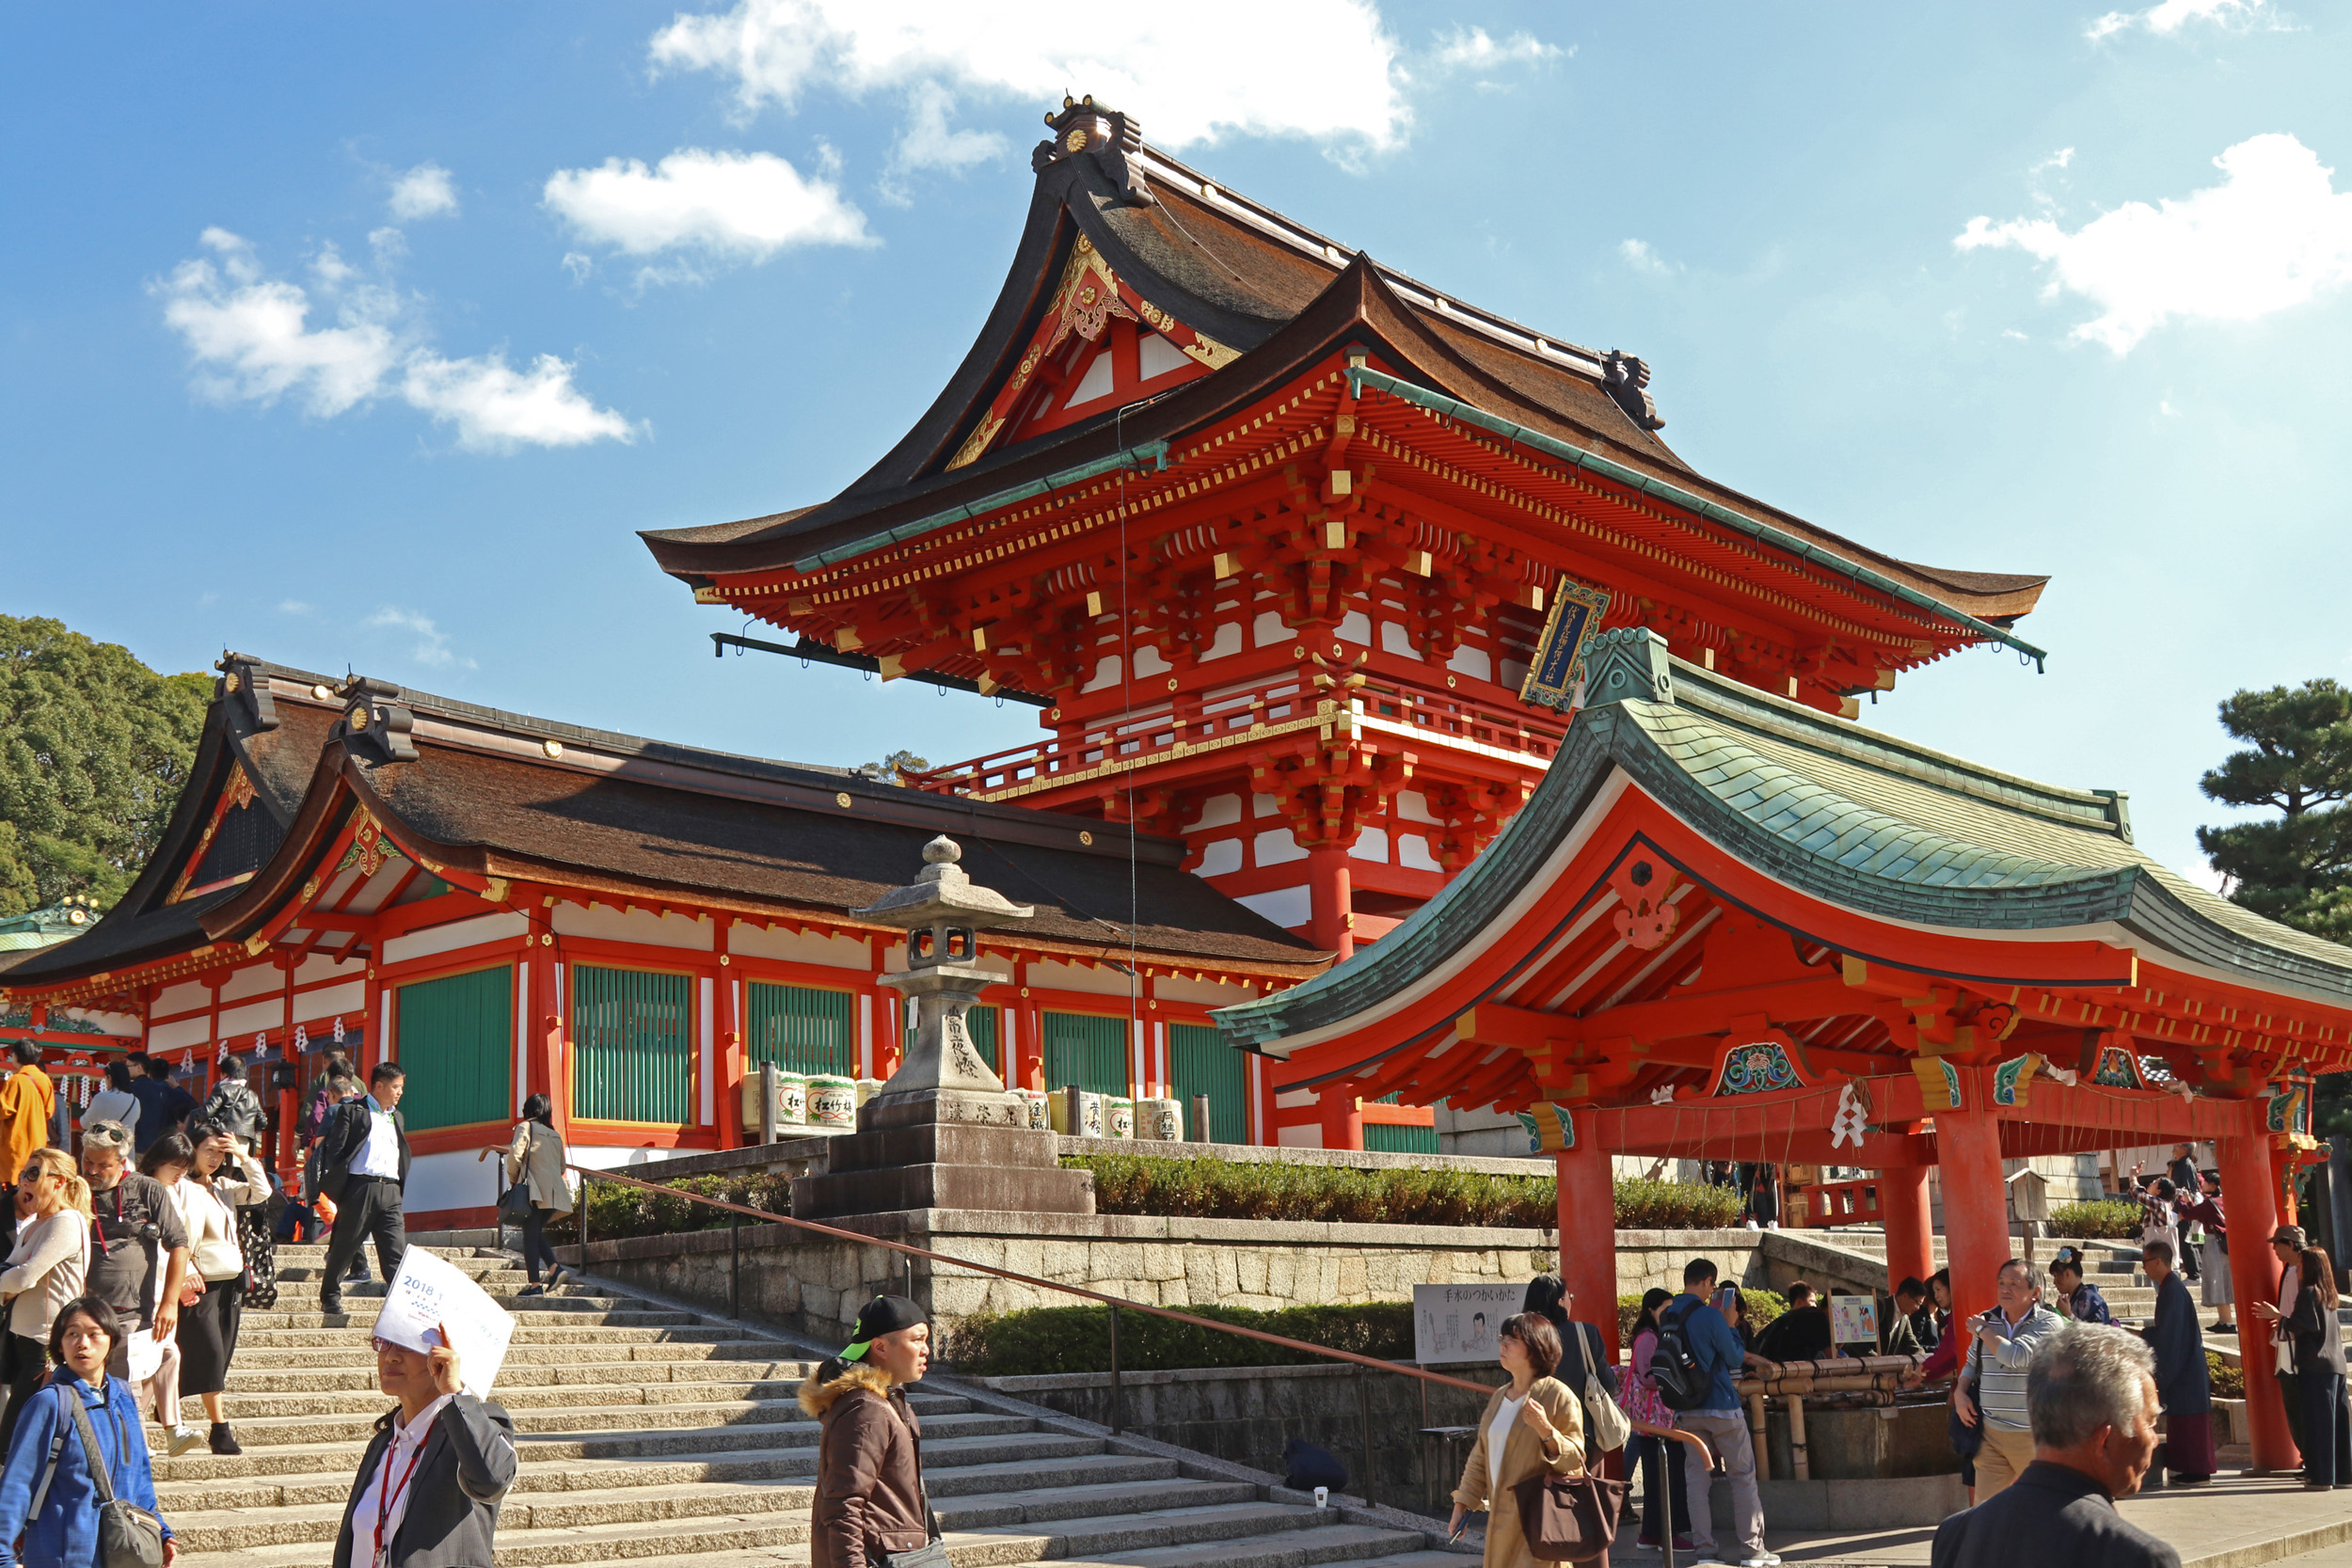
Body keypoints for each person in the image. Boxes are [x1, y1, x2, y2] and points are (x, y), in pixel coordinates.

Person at [1928, 1325, 2178, 1568]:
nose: (2154, 1440)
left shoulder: (1955, 1535)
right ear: (2105, 1440)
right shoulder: (2137, 1556)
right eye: (2150, 1422)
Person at [0, 1296, 176, 1568]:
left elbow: (140, 1476)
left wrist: (159, 1531)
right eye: (72, 1334)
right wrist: (4, 1558)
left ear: (111, 1340)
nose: (82, 1343)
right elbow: (17, 1485)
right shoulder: (49, 1403)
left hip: (121, 1550)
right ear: (59, 1344)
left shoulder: (123, 1396)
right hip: (63, 1553)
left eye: (94, 1334)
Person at [331, 1322, 516, 1568]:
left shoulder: (473, 1430)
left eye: (407, 1344)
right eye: (384, 1342)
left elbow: (492, 1477)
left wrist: (453, 1391)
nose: (391, 1356)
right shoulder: (383, 1443)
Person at [146, 1120, 265, 1455]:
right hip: (197, 1279)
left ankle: (160, 1410)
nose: (213, 1158)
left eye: (219, 1151)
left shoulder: (225, 1186)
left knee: (220, 1354)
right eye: (207, 1150)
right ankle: (219, 1428)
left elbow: (263, 1192)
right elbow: (176, 1235)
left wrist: (242, 1155)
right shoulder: (180, 1188)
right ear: (192, 1150)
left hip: (230, 1279)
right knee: (210, 1353)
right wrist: (186, 1270)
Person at [800, 1294, 940, 1568]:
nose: (926, 1350)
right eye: (917, 1339)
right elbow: (843, 1505)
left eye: (926, 1340)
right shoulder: (867, 1410)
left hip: (898, 1555)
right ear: (880, 1347)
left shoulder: (887, 1402)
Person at [1449, 1311, 1586, 1568]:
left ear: (1536, 1347)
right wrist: (1463, 1503)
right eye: (1503, 1337)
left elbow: (1576, 1461)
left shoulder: (1558, 1396)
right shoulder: (1499, 1397)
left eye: (1513, 1339)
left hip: (1539, 1523)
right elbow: (1480, 1456)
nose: (1503, 1345)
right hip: (1500, 1524)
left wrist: (1546, 1430)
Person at [1668, 1259, 1773, 1568]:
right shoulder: (1710, 1315)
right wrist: (1728, 1325)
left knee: (1697, 1480)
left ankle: (1704, 1552)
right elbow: (1730, 1358)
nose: (1713, 1291)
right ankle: (1752, 1550)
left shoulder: (1669, 1315)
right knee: (1742, 1476)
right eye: (1713, 1286)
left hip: (1687, 1409)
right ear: (1708, 1282)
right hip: (1721, 1405)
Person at [77, 1121, 189, 1386]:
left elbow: (180, 1246)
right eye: (87, 1161)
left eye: (102, 1165)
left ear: (121, 1161)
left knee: (126, 1396)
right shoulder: (76, 1189)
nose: (92, 1170)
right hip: (83, 1312)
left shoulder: (148, 1189)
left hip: (132, 1313)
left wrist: (169, 1303)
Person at [0, 1148, 90, 1451]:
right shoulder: (37, 1223)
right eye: (24, 1174)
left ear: (59, 1182)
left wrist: (10, 1284)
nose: (24, 1181)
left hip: (47, 1348)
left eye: (34, 1174)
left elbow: (25, 1277)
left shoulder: (66, 1220)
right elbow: (12, 1272)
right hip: (22, 1341)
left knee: (17, 1439)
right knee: (15, 1437)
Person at [1955, 1258, 2066, 1501]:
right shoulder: (1988, 1319)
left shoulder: (2049, 1323)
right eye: (2001, 1283)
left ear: (2035, 1292)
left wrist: (1982, 1330)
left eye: (2014, 1284)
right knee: (1985, 1513)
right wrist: (1959, 1393)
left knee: (2047, 1508)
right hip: (1991, 1433)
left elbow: (2016, 1355)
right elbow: (1972, 1363)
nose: (2005, 1289)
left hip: (2032, 1435)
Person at [2251, 1225, 2350, 1489]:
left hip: (2315, 1363)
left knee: (2317, 1423)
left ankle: (2320, 1477)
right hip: (2334, 1362)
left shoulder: (2308, 1291)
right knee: (2336, 1423)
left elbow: (2305, 1323)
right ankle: (2342, 1475)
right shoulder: (2327, 1293)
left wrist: (2280, 1318)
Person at [316, 1062, 409, 1316]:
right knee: (345, 1246)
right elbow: (335, 1152)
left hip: (391, 1191)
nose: (400, 1092)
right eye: (396, 1087)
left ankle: (400, 1306)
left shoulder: (397, 1116)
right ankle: (331, 1297)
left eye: (401, 1087)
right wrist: (341, 1188)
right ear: (379, 1086)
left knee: (395, 1251)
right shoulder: (353, 1111)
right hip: (360, 1187)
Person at [1626, 1289, 1693, 1554]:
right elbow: (1647, 1376)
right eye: (1665, 1309)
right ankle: (1668, 1534)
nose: (1670, 1314)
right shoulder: (1648, 1338)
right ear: (1651, 1310)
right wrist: (1678, 1378)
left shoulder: (1655, 1335)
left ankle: (1652, 1534)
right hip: (1657, 1422)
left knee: (1660, 1479)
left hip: (1657, 1421)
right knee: (1667, 1477)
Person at [2137, 1240, 2211, 1483]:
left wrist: (2146, 1336)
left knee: (2189, 1424)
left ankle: (2196, 1472)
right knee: (2184, 1423)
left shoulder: (2173, 1290)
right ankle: (2189, 1470)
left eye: (2145, 1262)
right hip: (2184, 1365)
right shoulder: (2170, 1288)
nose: (2144, 1268)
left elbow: (2170, 1336)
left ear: (2159, 1261)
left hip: (2184, 1368)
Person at [504, 1095, 570, 1296]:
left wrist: (514, 1181)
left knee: (530, 1238)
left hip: (534, 1191)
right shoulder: (555, 1134)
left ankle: (536, 1284)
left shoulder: (526, 1127)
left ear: (529, 1110)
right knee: (534, 1234)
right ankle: (553, 1270)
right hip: (554, 1193)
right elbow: (561, 1166)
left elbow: (514, 1157)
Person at [1518, 1274, 1618, 1404]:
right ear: (1560, 1302)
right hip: (1579, 1420)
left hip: (1533, 1417)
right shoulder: (1587, 1333)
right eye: (1570, 1297)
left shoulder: (1520, 1337)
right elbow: (1609, 1384)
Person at [2176, 1172, 2233, 1335]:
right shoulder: (2225, 1201)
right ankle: (2225, 1320)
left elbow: (2189, 1215)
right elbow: (2201, 1214)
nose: (2203, 1185)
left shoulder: (2210, 1203)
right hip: (2227, 1245)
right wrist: (2190, 1202)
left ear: (2213, 1185)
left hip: (2213, 1243)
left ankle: (2227, 1322)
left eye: (2206, 1182)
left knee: (2216, 1280)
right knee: (2224, 1281)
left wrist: (2181, 1201)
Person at [0, 1044, 54, 1192]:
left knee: (12, 1191)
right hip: (37, 1143)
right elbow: (49, 1111)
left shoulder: (15, 1080)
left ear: (17, 1056)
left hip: (16, 1145)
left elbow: (4, 1111)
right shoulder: (44, 1079)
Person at [125, 1055, 196, 1156]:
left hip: (138, 1146)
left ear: (149, 1073)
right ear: (167, 1075)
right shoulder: (171, 1091)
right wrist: (177, 1087)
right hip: (164, 1147)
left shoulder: (133, 1087)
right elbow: (194, 1106)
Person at [1756, 1282, 1835, 1363]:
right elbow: (1830, 1354)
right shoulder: (1812, 1317)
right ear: (1798, 1302)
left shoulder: (1777, 1323)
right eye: (1812, 1301)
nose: (1815, 1306)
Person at [199, 1057, 263, 1148]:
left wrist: (197, 1120)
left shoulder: (221, 1089)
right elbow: (262, 1121)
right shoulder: (253, 1095)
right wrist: (248, 1129)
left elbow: (207, 1112)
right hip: (244, 1142)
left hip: (222, 1137)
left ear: (224, 1074)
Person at [76, 1062, 139, 1148]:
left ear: (110, 1077)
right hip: (126, 1150)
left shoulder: (101, 1098)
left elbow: (85, 1123)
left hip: (104, 1150)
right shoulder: (135, 1101)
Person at [2050, 1250, 2113, 1324]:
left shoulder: (2090, 1298)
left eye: (2055, 1276)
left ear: (2067, 1273)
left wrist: (2069, 1314)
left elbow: (2097, 1332)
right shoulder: (2074, 1298)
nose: (2054, 1282)